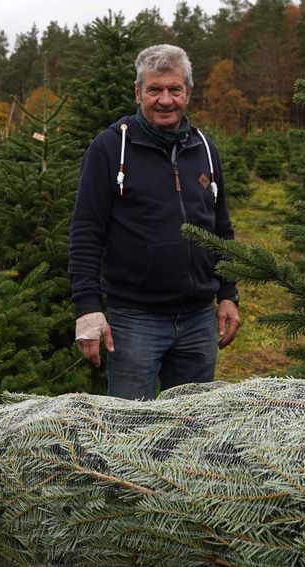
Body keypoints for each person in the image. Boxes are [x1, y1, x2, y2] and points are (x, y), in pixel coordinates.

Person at [69, 44, 241, 401]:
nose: (165, 100)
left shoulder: (204, 148)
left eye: (174, 89)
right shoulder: (109, 148)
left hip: (197, 319)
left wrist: (227, 295)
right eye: (154, 90)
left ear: (188, 93)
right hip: (135, 320)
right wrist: (87, 308)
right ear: (138, 92)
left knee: (191, 425)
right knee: (130, 431)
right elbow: (87, 232)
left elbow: (221, 229)